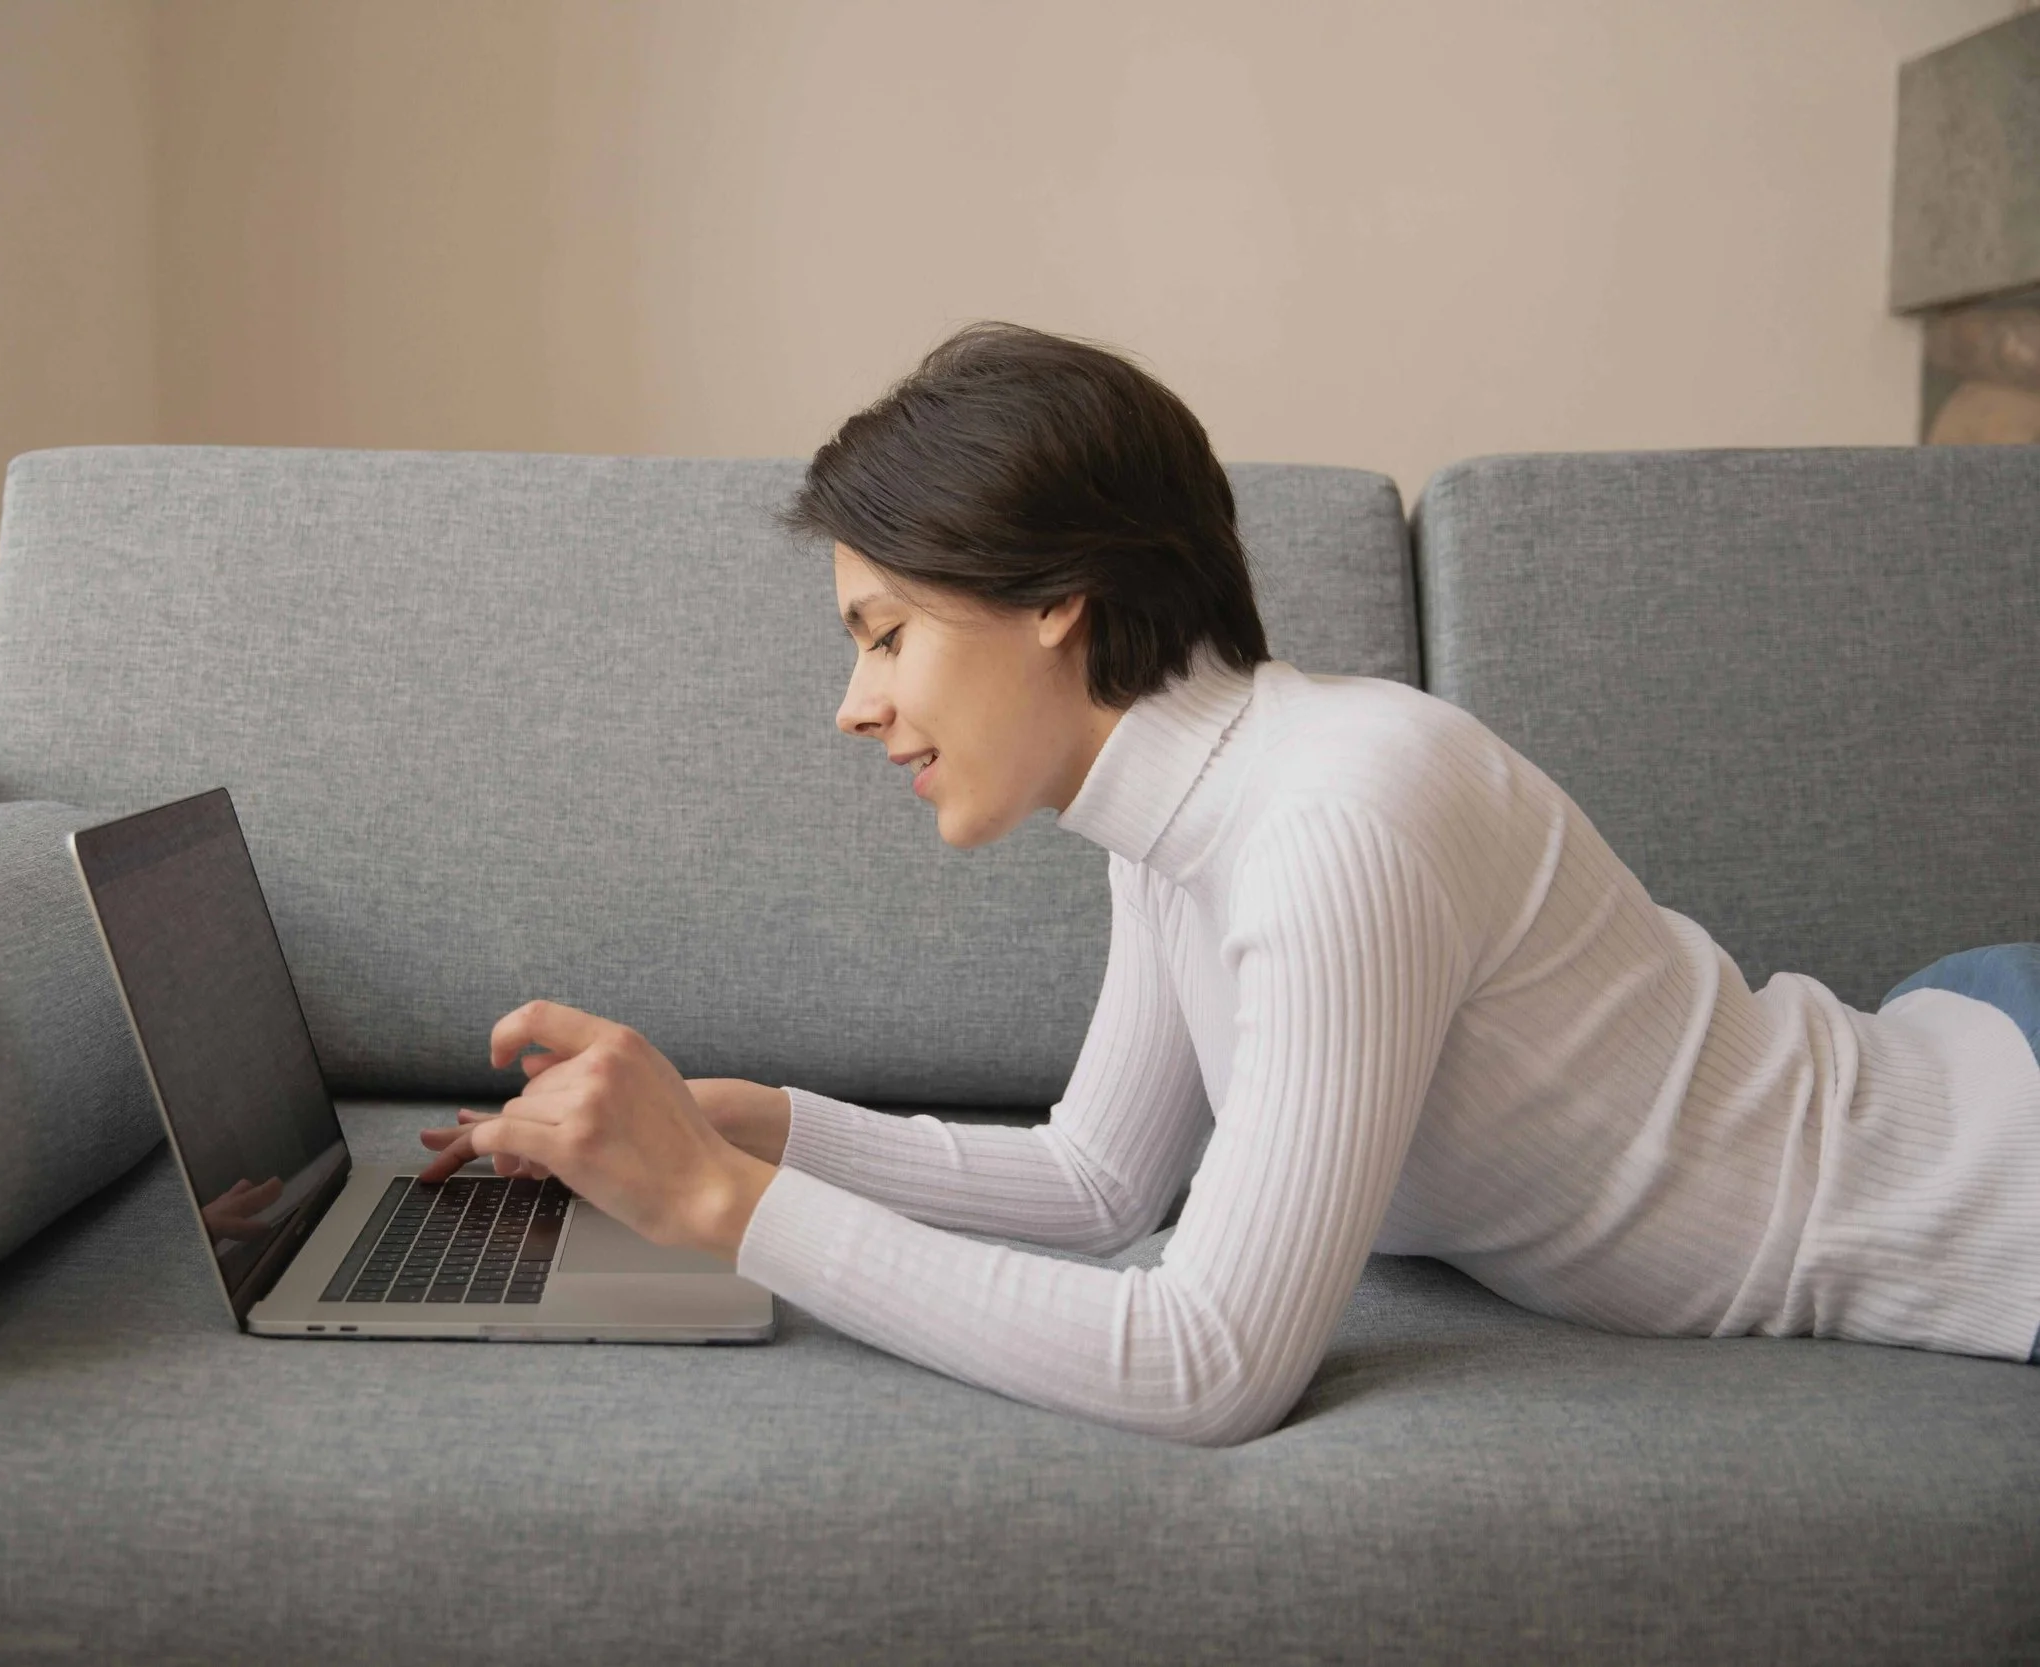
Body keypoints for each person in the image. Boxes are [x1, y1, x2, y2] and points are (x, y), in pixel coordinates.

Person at [418, 323, 2040, 1446]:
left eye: (885, 634)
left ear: (1057, 596)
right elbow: (1098, 1181)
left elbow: (1210, 1363)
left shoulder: (1336, 821)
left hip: (1989, 1159)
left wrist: (719, 1208)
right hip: (1945, 1027)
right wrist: (749, 1121)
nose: (854, 704)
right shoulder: (1179, 818)